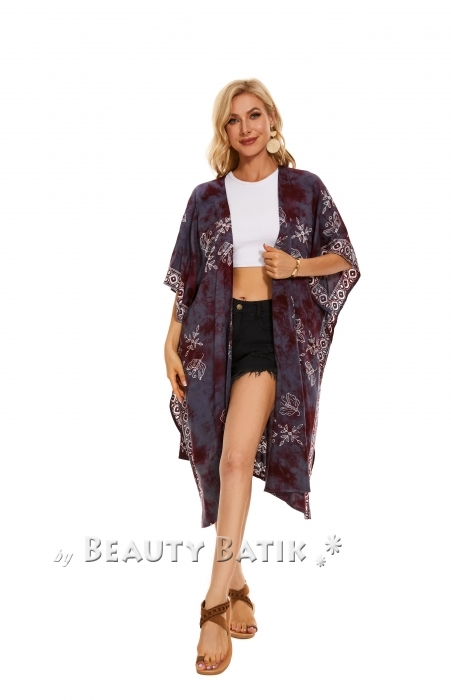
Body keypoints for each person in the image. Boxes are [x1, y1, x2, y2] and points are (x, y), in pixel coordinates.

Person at [163, 78, 360, 675]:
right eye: (233, 119)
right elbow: (188, 276)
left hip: (271, 339)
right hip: (210, 337)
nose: (245, 128)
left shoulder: (305, 188)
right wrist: (170, 340)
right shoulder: (205, 197)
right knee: (212, 458)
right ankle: (239, 578)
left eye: (254, 115)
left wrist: (294, 266)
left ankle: (214, 604)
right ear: (223, 131)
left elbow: (345, 257)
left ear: (271, 119)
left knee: (233, 460)